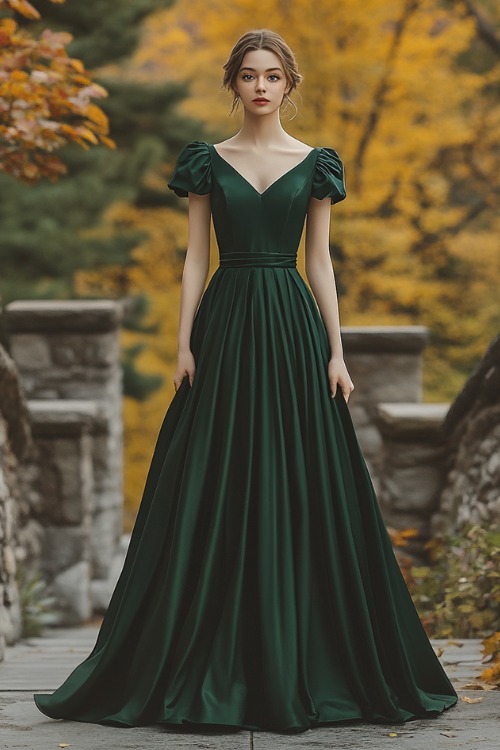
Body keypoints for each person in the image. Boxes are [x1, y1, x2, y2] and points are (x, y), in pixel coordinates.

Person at [34, 28, 458, 734]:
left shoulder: (316, 164)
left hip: (292, 329)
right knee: (213, 478)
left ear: (289, 85)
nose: (260, 86)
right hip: (225, 326)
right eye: (248, 75)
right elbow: (195, 257)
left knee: (298, 479)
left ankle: (303, 653)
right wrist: (182, 343)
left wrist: (336, 351)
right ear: (233, 84)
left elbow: (319, 262)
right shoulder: (207, 162)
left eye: (272, 76)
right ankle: (202, 648)